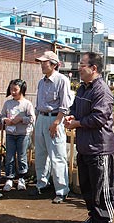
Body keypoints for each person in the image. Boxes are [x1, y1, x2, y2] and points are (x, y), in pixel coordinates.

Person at [64, 52, 114, 223]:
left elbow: (99, 118)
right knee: (87, 186)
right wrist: (72, 115)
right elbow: (75, 108)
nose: (79, 67)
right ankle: (93, 217)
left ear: (93, 68)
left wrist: (76, 123)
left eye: (82, 64)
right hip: (85, 146)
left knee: (101, 188)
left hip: (99, 147)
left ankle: (104, 220)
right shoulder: (83, 88)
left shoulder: (102, 90)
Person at [30, 51, 71, 204]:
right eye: (41, 62)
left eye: (44, 62)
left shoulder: (62, 80)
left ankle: (62, 190)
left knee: (57, 156)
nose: (42, 64)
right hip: (41, 118)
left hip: (55, 119)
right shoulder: (41, 82)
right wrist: (36, 124)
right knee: (40, 154)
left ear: (53, 64)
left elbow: (65, 105)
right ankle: (42, 183)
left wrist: (56, 123)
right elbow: (38, 104)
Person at [0, 79, 35, 192]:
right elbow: (2, 116)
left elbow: (32, 118)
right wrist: (5, 120)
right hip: (10, 134)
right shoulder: (8, 103)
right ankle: (9, 177)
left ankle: (22, 178)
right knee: (9, 156)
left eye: (15, 89)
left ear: (22, 90)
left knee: (22, 156)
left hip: (23, 134)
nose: (13, 92)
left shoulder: (27, 104)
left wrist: (20, 119)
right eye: (11, 89)